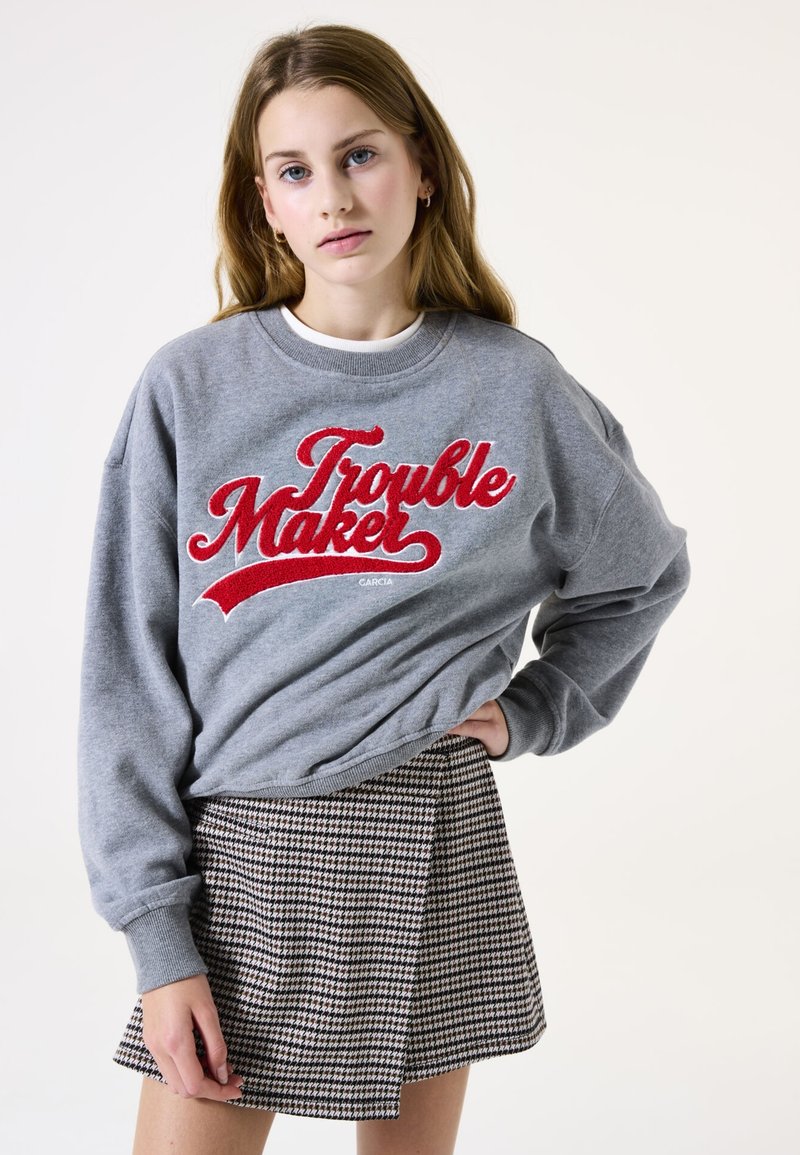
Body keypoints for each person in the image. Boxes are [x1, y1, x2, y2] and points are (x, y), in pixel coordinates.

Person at [76, 20, 691, 1155]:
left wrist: (536, 710)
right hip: (246, 850)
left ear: (421, 167)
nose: (334, 197)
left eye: (359, 154)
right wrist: (158, 939)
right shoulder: (190, 388)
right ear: (265, 204)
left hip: (430, 828)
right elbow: (129, 675)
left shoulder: (515, 390)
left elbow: (641, 572)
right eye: (294, 170)